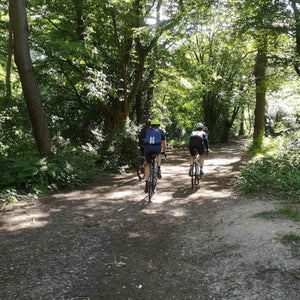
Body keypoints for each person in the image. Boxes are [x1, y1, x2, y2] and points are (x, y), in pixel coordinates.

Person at [142, 119, 166, 192]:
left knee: (148, 165)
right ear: (158, 125)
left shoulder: (146, 130)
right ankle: (158, 168)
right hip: (156, 148)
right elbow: (164, 144)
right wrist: (164, 152)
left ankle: (146, 183)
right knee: (158, 154)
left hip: (148, 148)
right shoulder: (161, 132)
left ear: (151, 125)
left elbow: (142, 140)